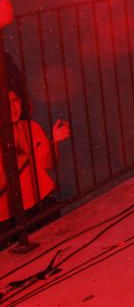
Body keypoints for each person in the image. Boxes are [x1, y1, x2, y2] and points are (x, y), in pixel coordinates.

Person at [0, 88, 70, 231]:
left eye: (14, 100)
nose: (12, 107)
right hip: (11, 219)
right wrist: (20, 159)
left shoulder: (32, 127)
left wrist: (54, 141)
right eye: (5, 103)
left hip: (43, 204)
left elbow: (49, 164)